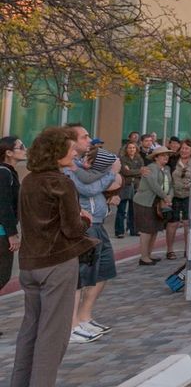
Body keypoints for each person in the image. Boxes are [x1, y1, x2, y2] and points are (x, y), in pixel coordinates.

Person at [10, 127, 97, 387]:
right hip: (57, 264)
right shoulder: (61, 182)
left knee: (30, 330)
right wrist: (84, 220)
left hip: (29, 264)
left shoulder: (29, 180)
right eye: (69, 148)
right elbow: (71, 229)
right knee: (53, 335)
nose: (74, 152)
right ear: (56, 153)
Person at [64, 126, 119, 344]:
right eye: (84, 137)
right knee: (82, 275)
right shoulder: (68, 168)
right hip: (84, 226)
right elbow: (87, 189)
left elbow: (106, 183)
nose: (89, 140)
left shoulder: (81, 165)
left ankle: (85, 316)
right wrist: (112, 174)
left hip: (99, 223)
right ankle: (72, 323)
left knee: (103, 270)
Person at [133, 145, 173, 269]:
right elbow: (153, 185)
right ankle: (143, 257)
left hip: (157, 203)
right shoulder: (151, 168)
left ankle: (149, 254)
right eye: (163, 155)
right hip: (145, 202)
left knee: (154, 229)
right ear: (156, 157)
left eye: (167, 155)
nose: (166, 157)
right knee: (146, 230)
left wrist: (170, 196)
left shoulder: (166, 168)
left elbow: (171, 185)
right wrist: (165, 197)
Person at [0, 136, 25, 296]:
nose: (25, 149)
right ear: (8, 152)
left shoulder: (8, 172)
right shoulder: (4, 173)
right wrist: (12, 234)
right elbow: (3, 205)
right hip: (2, 233)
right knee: (2, 276)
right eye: (20, 147)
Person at [166, 139, 191, 260]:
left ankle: (188, 249)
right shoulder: (173, 161)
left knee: (187, 223)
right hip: (174, 194)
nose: (184, 150)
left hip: (189, 195)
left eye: (187, 148)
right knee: (172, 223)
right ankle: (170, 250)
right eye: (182, 148)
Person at [115, 141, 141, 239]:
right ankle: (119, 231)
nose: (132, 149)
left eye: (133, 148)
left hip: (135, 186)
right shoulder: (122, 159)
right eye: (130, 148)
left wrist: (131, 171)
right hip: (125, 186)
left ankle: (133, 229)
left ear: (136, 149)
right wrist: (134, 172)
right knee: (121, 209)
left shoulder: (139, 159)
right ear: (126, 149)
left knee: (133, 210)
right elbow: (125, 172)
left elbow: (142, 171)